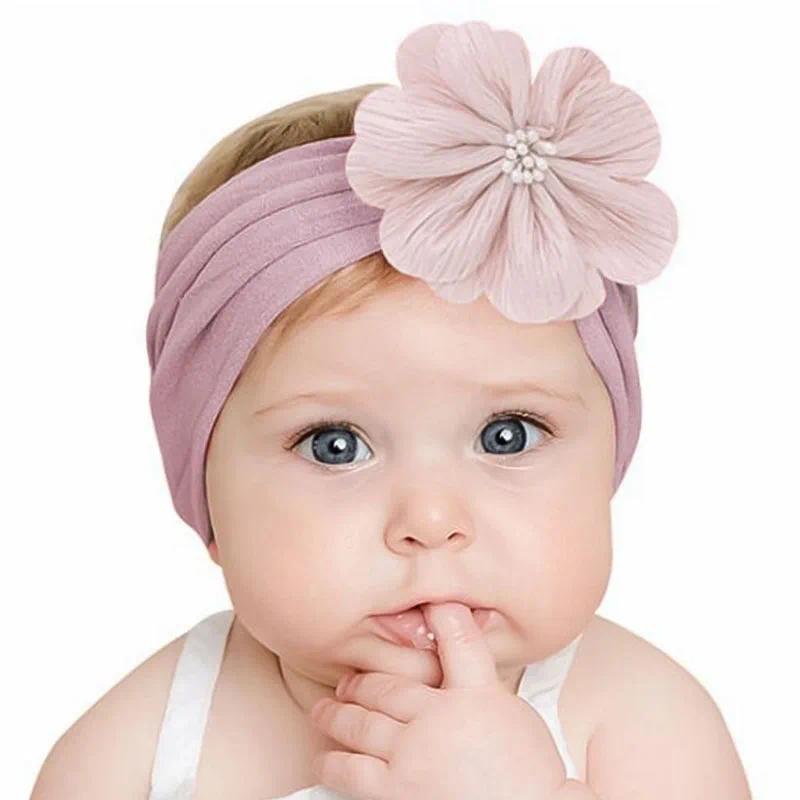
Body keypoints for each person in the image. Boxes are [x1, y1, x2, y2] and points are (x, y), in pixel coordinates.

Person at [31, 19, 751, 800]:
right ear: (205, 495)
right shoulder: (131, 756)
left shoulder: (645, 727)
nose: (432, 521)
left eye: (507, 435)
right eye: (334, 445)